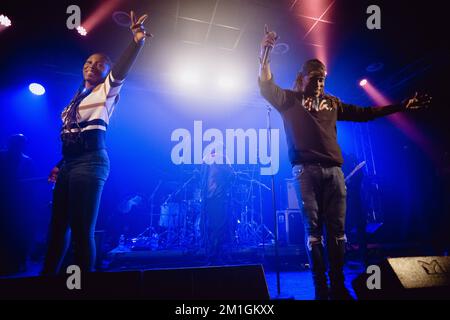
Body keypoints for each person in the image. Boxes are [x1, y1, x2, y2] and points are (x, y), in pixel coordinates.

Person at [258, 26, 431, 299]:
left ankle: (338, 283)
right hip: (305, 172)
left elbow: (366, 112)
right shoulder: (289, 100)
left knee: (338, 233)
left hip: (335, 174)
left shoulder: (332, 103)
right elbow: (266, 83)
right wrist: (265, 52)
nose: (319, 83)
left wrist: (400, 105)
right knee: (314, 233)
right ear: (302, 79)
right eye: (315, 78)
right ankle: (320, 285)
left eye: (323, 79)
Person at [42, 11, 151, 275]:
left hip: (91, 163)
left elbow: (120, 70)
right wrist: (60, 164)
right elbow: (71, 133)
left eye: (99, 64)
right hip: (69, 165)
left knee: (81, 230)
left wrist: (137, 42)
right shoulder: (74, 100)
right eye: (88, 62)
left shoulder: (106, 91)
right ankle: (44, 281)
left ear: (106, 70)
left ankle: (82, 285)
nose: (92, 65)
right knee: (57, 227)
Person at [0, 134, 34, 275]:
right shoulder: (1, 156)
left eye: (20, 143)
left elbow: (30, 183)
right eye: (16, 142)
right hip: (4, 199)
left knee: (16, 231)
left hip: (17, 202)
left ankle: (18, 261)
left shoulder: (26, 161)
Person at [200, 150, 234, 265]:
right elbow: (232, 176)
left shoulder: (210, 161)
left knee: (215, 227)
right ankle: (214, 256)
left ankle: (213, 255)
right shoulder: (217, 161)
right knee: (216, 227)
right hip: (214, 198)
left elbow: (231, 176)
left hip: (213, 198)